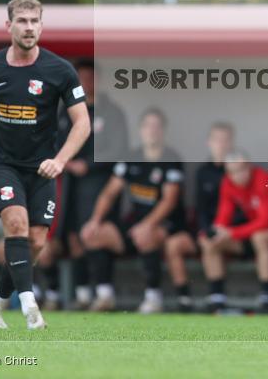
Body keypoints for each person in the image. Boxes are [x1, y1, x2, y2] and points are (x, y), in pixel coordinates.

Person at [0, 0, 90, 330]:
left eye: (35, 21)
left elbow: (83, 123)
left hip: (42, 168)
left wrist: (61, 160)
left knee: (35, 242)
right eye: (22, 21)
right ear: (9, 26)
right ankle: (30, 308)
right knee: (17, 225)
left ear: (41, 25)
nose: (29, 27)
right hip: (3, 164)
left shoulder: (59, 70)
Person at [81, 108, 189, 314]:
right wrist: (95, 219)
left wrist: (147, 224)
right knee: (93, 234)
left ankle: (153, 297)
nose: (152, 131)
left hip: (164, 226)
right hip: (135, 225)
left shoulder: (171, 158)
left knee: (146, 235)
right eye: (148, 126)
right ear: (141, 130)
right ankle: (105, 295)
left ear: (163, 130)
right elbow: (108, 193)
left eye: (157, 126)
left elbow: (169, 201)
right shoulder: (131, 157)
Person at [56, 59, 118, 311]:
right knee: (72, 237)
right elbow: (55, 140)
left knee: (94, 233)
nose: (87, 82)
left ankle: (104, 292)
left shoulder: (111, 112)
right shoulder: (66, 111)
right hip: (69, 183)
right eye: (82, 78)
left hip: (97, 184)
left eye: (91, 77)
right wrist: (65, 161)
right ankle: (82, 294)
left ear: (98, 79)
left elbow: (117, 148)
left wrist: (89, 165)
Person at [200, 151, 268, 313]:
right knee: (208, 241)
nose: (237, 175)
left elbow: (266, 221)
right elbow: (223, 215)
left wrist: (231, 233)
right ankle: (217, 298)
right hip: (250, 233)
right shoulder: (227, 183)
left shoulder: (263, 179)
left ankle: (266, 298)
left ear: (249, 167)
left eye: (241, 169)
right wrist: (216, 232)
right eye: (232, 172)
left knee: (259, 238)